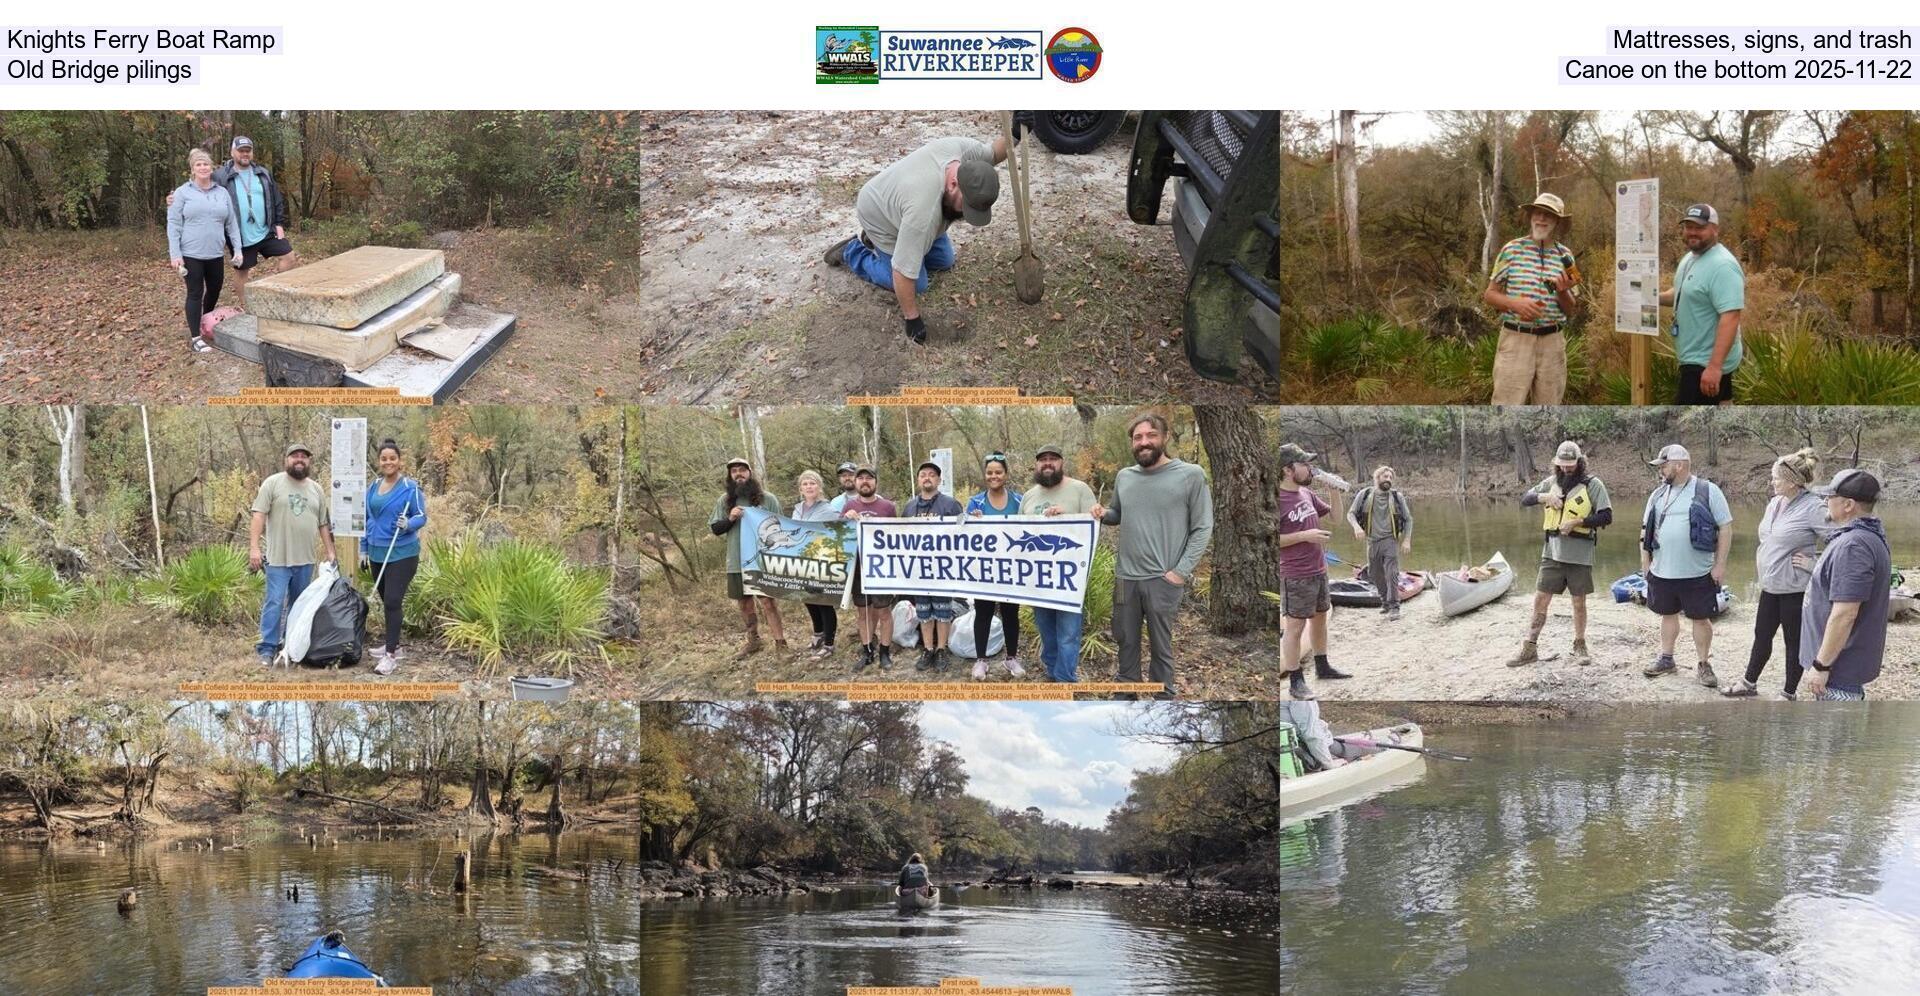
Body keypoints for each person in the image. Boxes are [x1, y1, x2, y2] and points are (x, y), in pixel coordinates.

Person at [822, 134, 1010, 344]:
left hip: (901, 202)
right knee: (918, 283)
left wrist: (1017, 133)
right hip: (878, 214)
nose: (967, 215)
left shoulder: (963, 154)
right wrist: (913, 319)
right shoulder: (923, 212)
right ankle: (853, 251)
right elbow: (903, 272)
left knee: (944, 261)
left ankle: (891, 242)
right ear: (954, 184)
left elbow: (993, 153)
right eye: (966, 207)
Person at [1091, 413, 1215, 700]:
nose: (1144, 442)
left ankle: (1163, 698)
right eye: (1138, 437)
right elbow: (1118, 514)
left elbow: (1203, 527)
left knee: (1161, 646)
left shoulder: (1190, 475)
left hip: (1163, 579)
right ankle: (1126, 695)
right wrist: (1101, 514)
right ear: (1132, 443)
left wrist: (1179, 572)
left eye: (1151, 435)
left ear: (1165, 437)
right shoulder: (1124, 476)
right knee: (1125, 640)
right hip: (1125, 578)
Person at [1725, 449, 1827, 699]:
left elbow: (1842, 542)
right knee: (1762, 635)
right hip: (1770, 586)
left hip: (1795, 589)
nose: (1772, 482)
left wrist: (1814, 563)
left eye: (1776, 478)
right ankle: (1748, 684)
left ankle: (1788, 693)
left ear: (1793, 482)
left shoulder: (1814, 507)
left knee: (1793, 642)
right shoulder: (1774, 503)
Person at [1509, 441, 1613, 667]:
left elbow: (1606, 517)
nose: (1567, 469)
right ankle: (1529, 648)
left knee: (1578, 602)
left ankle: (1579, 645)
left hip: (1580, 555)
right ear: (1556, 463)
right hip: (1552, 554)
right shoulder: (1551, 483)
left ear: (1580, 462)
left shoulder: (1593, 485)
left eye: (1571, 464)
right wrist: (1544, 497)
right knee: (1540, 600)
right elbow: (1525, 499)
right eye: (1562, 464)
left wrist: (1578, 522)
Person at [1639, 444, 1733, 686]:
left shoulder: (1707, 490)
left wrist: (1719, 565)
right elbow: (1644, 532)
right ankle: (1666, 659)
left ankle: (1703, 664)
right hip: (1662, 571)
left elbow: (1725, 528)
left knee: (1701, 619)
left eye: (1664, 465)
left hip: (1698, 572)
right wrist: (1646, 564)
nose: (1660, 471)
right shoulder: (1657, 494)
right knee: (1667, 615)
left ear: (1678, 465)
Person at [1802, 469, 1893, 701]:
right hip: (1840, 670)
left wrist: (1821, 666)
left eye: (1830, 497)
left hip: (1838, 674)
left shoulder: (1854, 546)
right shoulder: (1867, 535)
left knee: (1835, 737)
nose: (1825, 501)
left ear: (1848, 505)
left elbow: (1845, 613)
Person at [1483, 193, 1581, 405]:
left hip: (1553, 344)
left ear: (1557, 222)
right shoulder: (1511, 250)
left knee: (1549, 411)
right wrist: (1514, 304)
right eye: (1538, 213)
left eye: (1549, 215)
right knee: (1506, 408)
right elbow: (1489, 294)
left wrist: (1562, 291)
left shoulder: (1566, 256)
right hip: (1516, 340)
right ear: (1530, 216)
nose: (1542, 219)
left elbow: (1571, 310)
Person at [250, 443, 337, 665]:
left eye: (304, 457)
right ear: (286, 459)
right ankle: (268, 649)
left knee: (299, 605)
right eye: (295, 456)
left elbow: (323, 523)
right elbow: (259, 516)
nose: (300, 460)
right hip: (278, 559)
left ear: (309, 462)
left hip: (305, 560)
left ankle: (291, 646)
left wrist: (330, 551)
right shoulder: (273, 483)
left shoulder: (316, 489)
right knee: (275, 602)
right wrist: (254, 548)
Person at [1020, 442, 1099, 682]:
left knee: (1068, 633)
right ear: (1036, 464)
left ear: (1061, 463)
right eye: (1042, 459)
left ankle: (1066, 679)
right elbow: (1017, 531)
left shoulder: (1080, 489)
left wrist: (1066, 519)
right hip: (1038, 578)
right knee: (1047, 631)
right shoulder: (1029, 496)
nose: (1047, 463)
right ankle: (1052, 671)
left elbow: (1093, 529)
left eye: (1053, 459)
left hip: (1069, 578)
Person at [1659, 203, 1744, 405]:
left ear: (1715, 229)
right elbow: (1683, 293)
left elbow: (1731, 316)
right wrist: (1651, 298)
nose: (1692, 232)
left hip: (1704, 363)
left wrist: (1714, 367)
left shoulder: (1723, 266)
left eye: (1699, 227)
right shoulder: (1691, 258)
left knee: (1685, 431)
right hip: (1695, 358)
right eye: (1688, 227)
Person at [1279, 443, 1344, 700]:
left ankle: (1323, 666)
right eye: (1304, 464)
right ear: (1287, 469)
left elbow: (1337, 520)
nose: (1309, 468)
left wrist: (1335, 491)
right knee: (1295, 627)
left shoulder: (1306, 494)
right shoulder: (1277, 498)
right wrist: (1305, 535)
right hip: (1295, 574)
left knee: (1320, 619)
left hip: (1319, 568)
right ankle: (1296, 681)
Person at [166, 148, 245, 354]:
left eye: (206, 164)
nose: (203, 167)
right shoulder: (182, 193)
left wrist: (237, 248)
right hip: (191, 254)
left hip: (215, 253)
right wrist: (176, 254)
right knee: (195, 293)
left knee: (215, 288)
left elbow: (232, 224)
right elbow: (173, 224)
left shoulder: (222, 193)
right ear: (192, 169)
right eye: (198, 164)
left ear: (212, 168)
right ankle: (195, 337)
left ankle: (204, 319)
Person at [710, 457, 789, 660]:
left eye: (742, 470)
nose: (738, 474)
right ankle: (753, 640)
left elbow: (782, 527)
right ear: (730, 476)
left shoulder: (767, 499)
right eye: (734, 471)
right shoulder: (724, 501)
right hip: (736, 560)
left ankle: (780, 642)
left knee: (768, 602)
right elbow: (715, 529)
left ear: (750, 473)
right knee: (744, 603)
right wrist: (731, 518)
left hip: (761, 560)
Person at [361, 440, 428, 676]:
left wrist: (409, 524)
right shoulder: (372, 487)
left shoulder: (410, 488)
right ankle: (395, 645)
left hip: (402, 552)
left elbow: (421, 516)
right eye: (384, 458)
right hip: (378, 553)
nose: (388, 462)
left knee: (391, 600)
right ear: (379, 461)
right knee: (386, 600)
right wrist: (363, 549)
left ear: (399, 461)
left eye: (392, 458)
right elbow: (367, 521)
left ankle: (390, 657)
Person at [964, 452, 1026, 680]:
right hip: (984, 570)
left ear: (1006, 475)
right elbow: (962, 530)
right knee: (983, 614)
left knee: (1011, 614)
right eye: (989, 472)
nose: (994, 476)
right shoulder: (976, 501)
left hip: (1012, 569)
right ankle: (981, 661)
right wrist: (971, 519)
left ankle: (1011, 658)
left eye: (998, 472)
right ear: (985, 475)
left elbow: (1033, 528)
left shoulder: (1019, 501)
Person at [902, 461, 965, 671]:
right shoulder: (909, 507)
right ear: (918, 479)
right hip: (919, 570)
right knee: (924, 612)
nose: (927, 477)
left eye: (931, 474)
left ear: (938, 480)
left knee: (943, 611)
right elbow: (900, 538)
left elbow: (964, 535)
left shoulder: (950, 504)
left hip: (943, 569)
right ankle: (928, 649)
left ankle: (941, 650)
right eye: (923, 474)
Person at [213, 136, 294, 286]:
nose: (245, 154)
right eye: (241, 150)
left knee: (289, 257)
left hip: (266, 232)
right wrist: (175, 198)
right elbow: (201, 191)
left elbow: (276, 200)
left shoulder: (263, 173)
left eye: (248, 151)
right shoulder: (220, 176)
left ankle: (278, 289)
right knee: (242, 272)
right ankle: (244, 305)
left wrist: (279, 224)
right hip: (240, 237)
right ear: (232, 152)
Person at [842, 466, 899, 672]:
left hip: (881, 569)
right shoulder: (849, 505)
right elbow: (840, 535)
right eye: (861, 478)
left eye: (869, 478)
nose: (865, 481)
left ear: (875, 482)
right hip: (857, 569)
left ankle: (885, 652)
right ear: (855, 483)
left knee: (884, 612)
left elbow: (898, 536)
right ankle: (867, 652)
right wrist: (845, 519)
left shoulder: (887, 507)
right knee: (863, 612)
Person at [1345, 465, 1412, 621]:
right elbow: (1351, 514)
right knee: (1374, 573)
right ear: (1377, 478)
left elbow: (1408, 519)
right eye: (1385, 476)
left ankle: (1395, 606)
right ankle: (1385, 601)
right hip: (1372, 541)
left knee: (1392, 573)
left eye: (1390, 477)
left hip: (1391, 540)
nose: (1388, 479)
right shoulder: (1365, 494)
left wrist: (1407, 540)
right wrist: (1356, 527)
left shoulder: (1397, 497)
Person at [792, 469, 843, 661]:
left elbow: (840, 529)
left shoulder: (828, 509)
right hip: (802, 561)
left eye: (812, 483)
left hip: (822, 560)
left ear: (819, 486)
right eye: (805, 484)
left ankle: (829, 644)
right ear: (800, 488)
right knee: (808, 597)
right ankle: (818, 633)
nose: (809, 487)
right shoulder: (797, 509)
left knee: (823, 601)